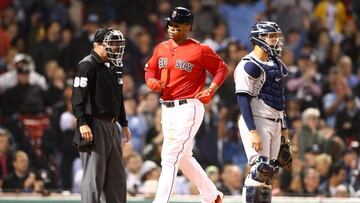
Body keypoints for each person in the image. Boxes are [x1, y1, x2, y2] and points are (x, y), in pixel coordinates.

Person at [144, 7, 228, 203]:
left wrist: (211, 90)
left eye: (178, 25)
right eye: (171, 24)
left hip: (188, 107)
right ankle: (212, 195)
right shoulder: (161, 48)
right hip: (167, 108)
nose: (172, 28)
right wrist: (150, 81)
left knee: (170, 156)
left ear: (188, 27)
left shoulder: (200, 49)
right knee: (183, 157)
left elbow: (221, 68)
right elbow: (149, 69)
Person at [233, 21, 292, 202]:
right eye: (271, 36)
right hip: (256, 120)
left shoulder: (274, 62)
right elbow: (242, 99)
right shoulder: (249, 65)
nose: (275, 40)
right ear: (258, 38)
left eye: (276, 36)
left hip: (274, 121)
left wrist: (284, 133)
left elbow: (279, 99)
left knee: (269, 172)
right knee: (260, 169)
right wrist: (252, 131)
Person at [71, 28, 131, 203]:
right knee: (93, 178)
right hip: (94, 124)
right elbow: (77, 97)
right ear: (97, 45)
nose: (114, 48)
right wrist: (82, 123)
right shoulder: (87, 64)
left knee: (117, 179)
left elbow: (118, 98)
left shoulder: (116, 66)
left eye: (117, 44)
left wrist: (124, 123)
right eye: (110, 44)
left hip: (112, 126)